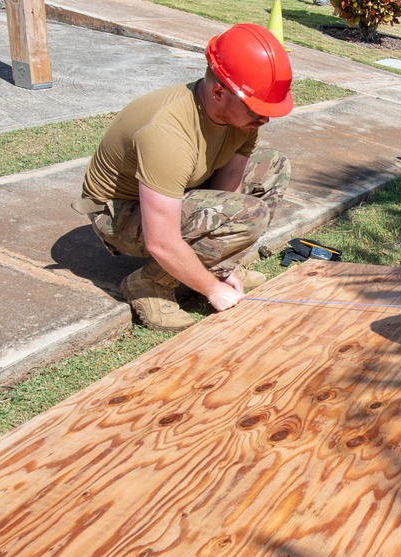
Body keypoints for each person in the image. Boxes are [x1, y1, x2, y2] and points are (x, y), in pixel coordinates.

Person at [73, 22, 294, 332]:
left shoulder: (242, 122)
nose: (265, 118)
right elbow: (161, 242)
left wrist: (222, 260)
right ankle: (147, 284)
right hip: (119, 212)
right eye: (256, 109)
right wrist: (213, 290)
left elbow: (229, 197)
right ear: (219, 92)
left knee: (273, 166)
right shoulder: (167, 133)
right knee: (249, 216)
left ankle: (205, 268)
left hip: (173, 191)